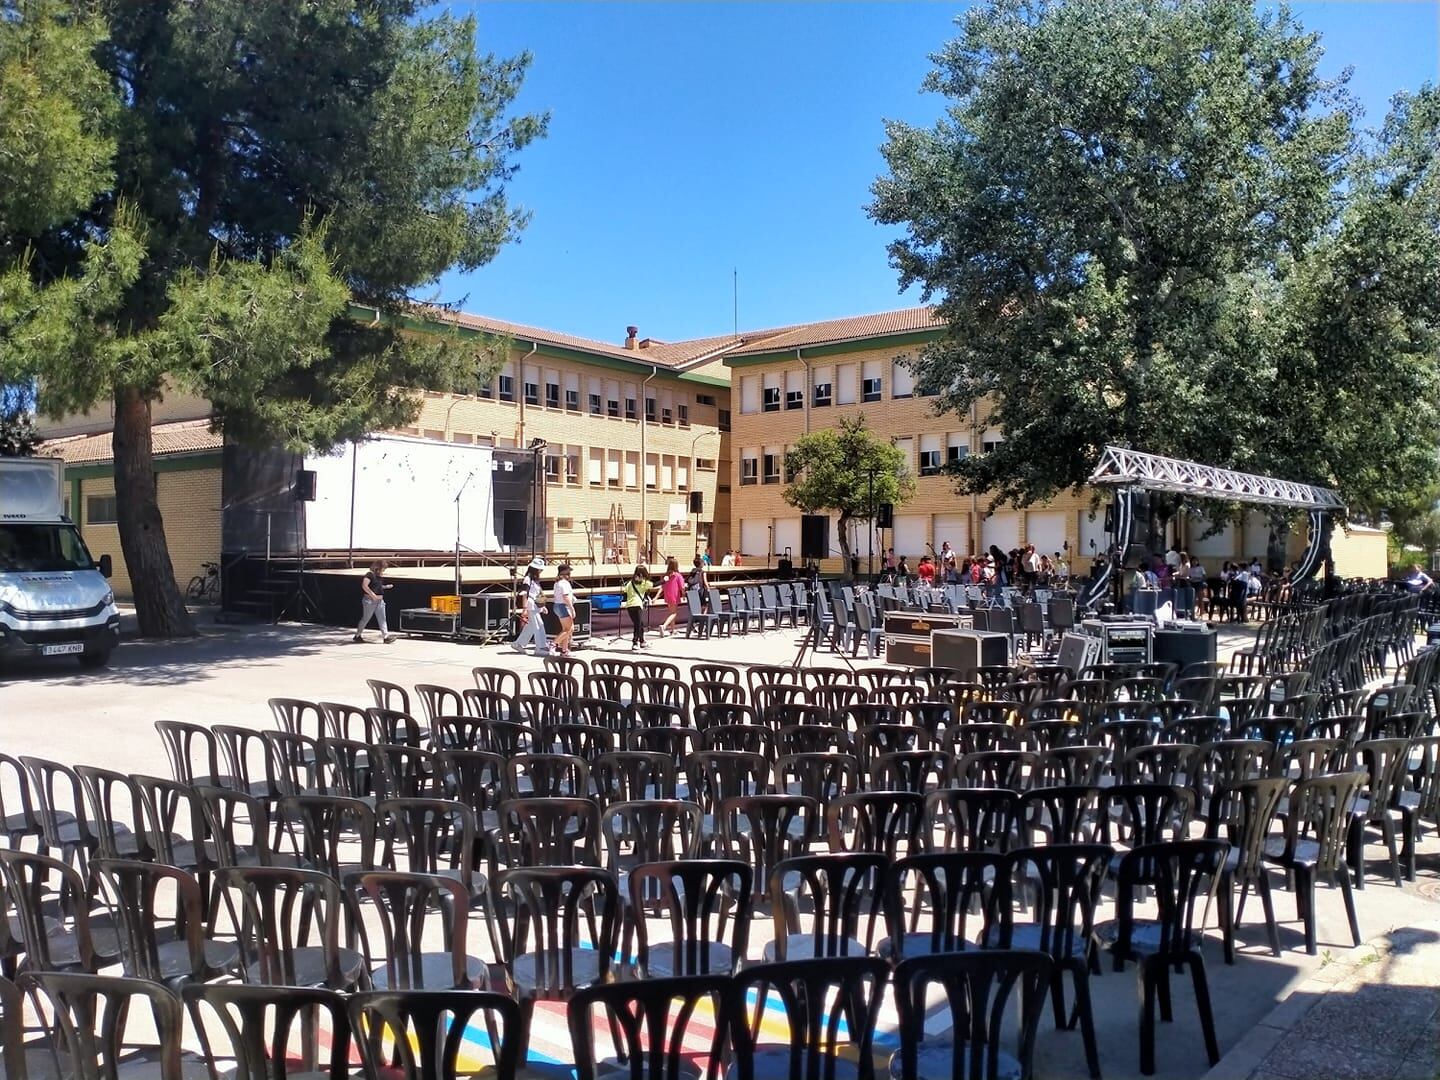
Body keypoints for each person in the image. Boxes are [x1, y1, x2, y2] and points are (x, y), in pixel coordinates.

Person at [511, 558, 549, 655]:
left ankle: (518, 643)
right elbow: (524, 594)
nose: (541, 570)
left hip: (535, 604)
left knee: (532, 626)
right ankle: (540, 647)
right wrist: (525, 608)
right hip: (531, 604)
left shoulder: (535, 580)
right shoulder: (528, 579)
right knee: (539, 625)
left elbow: (538, 593)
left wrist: (542, 606)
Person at [354, 559, 396, 643]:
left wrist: (385, 587)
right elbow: (365, 586)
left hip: (380, 601)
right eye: (383, 568)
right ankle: (357, 635)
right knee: (366, 618)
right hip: (370, 600)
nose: (383, 570)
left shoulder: (379, 576)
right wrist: (372, 595)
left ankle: (386, 636)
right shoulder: (369, 574)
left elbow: (376, 587)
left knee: (382, 619)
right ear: (378, 567)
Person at [622, 565, 655, 650]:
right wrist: (664, 580)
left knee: (640, 624)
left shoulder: (629, 583)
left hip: (629, 605)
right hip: (637, 605)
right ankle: (635, 642)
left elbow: (624, 594)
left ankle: (642, 641)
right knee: (638, 624)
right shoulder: (643, 582)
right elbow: (654, 585)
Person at [550, 563, 577, 655]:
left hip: (557, 605)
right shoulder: (564, 583)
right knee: (570, 629)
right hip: (563, 606)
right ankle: (553, 644)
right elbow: (565, 597)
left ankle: (564, 650)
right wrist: (571, 608)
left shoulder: (557, 583)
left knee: (566, 629)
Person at [658, 556, 685, 636]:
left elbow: (663, 586)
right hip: (675, 595)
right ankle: (664, 626)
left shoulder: (667, 575)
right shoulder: (678, 575)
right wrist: (683, 594)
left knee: (671, 612)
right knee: (674, 613)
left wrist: (656, 596)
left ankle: (673, 630)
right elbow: (682, 587)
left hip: (667, 595)